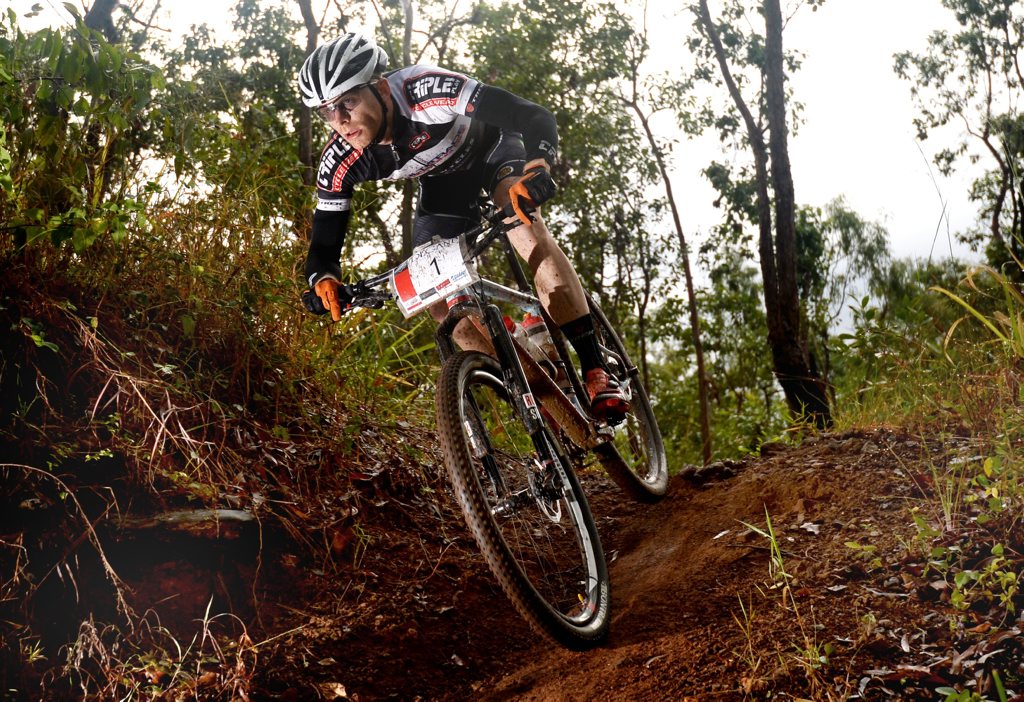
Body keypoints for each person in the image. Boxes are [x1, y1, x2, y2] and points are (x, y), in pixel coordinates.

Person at [298, 32, 627, 420]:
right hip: (444, 187)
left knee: (523, 225)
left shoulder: (426, 90)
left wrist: (538, 165)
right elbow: (324, 241)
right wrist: (323, 279)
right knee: (436, 301)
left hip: (493, 152)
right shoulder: (342, 159)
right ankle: (538, 386)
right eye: (327, 111)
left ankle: (596, 369)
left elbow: (532, 115)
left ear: (383, 89)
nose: (340, 121)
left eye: (347, 102)